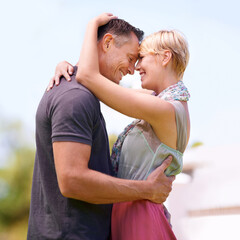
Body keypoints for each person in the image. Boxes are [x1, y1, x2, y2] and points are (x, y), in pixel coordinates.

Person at [27, 13, 175, 240]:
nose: (132, 69)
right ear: (107, 43)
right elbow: (72, 180)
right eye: (130, 57)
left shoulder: (78, 92)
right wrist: (146, 189)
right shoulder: (76, 98)